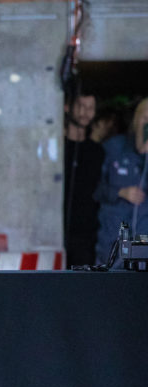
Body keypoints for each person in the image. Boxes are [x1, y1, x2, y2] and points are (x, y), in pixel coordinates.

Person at [95, 97, 148, 264]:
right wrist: (120, 192)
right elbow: (93, 189)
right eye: (145, 118)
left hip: (143, 243)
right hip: (112, 241)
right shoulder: (113, 148)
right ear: (135, 121)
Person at [63, 90, 104, 267]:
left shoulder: (97, 151)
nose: (85, 112)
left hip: (86, 233)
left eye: (90, 108)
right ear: (67, 107)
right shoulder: (57, 147)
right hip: (56, 229)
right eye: (81, 106)